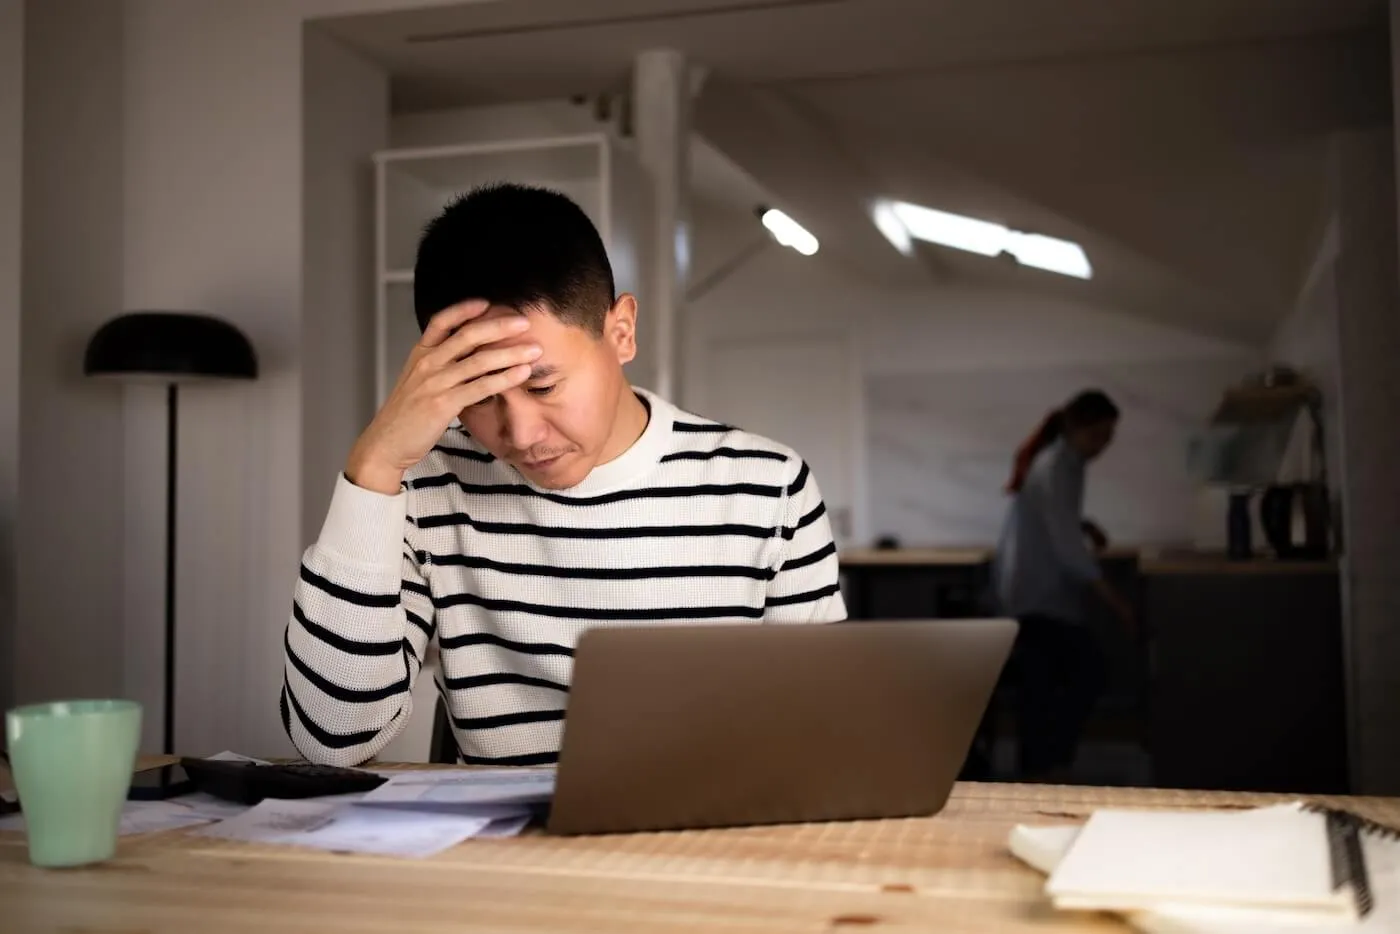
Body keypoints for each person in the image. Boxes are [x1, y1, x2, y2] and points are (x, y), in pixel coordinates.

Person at [280, 183, 846, 767]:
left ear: (621, 331)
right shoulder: (427, 484)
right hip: (503, 852)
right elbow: (332, 738)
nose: (519, 435)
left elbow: (824, 730)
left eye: (544, 385)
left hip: (708, 845)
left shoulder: (769, 488)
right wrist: (374, 467)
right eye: (477, 395)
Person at [985, 390, 1132, 781]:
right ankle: (1043, 769)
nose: (1103, 446)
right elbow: (1067, 547)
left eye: (1109, 438)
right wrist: (1117, 602)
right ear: (1076, 428)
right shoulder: (1056, 466)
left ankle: (1042, 768)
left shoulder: (1067, 461)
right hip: (1035, 594)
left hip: (1038, 590)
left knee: (1048, 683)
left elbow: (1056, 519)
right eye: (1099, 436)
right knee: (1077, 675)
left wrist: (1084, 524)